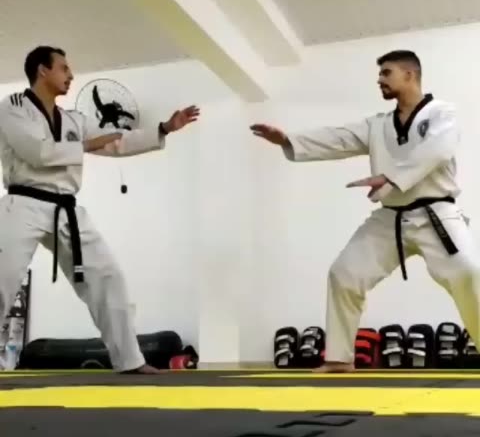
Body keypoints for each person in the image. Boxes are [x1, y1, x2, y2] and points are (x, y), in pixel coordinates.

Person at [250, 49, 480, 373]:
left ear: (409, 75)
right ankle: (339, 358)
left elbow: (438, 151)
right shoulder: (379, 125)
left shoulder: (443, 113)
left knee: (469, 273)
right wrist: (289, 140)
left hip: (437, 214)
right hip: (390, 217)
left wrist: (391, 177)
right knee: (344, 273)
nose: (379, 79)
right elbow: (339, 138)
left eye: (386, 73)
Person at [0, 46, 200, 374]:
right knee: (2, 280)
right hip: (23, 204)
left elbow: (115, 141)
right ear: (42, 70)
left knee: (109, 279)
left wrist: (163, 128)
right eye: (64, 68)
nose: (71, 75)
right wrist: (85, 145)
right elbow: (37, 152)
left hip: (66, 209)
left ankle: (130, 360)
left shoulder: (73, 120)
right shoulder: (13, 107)